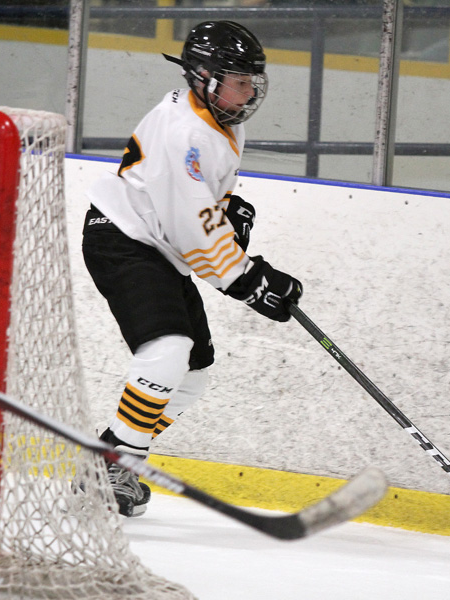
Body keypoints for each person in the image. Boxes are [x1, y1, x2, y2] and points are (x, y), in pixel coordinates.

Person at [82, 20, 302, 517]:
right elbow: (193, 232)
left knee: (192, 374)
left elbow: (196, 207)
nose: (249, 92)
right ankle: (115, 466)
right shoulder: (185, 132)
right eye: (239, 81)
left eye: (251, 81)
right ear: (204, 78)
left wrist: (227, 210)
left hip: (155, 245)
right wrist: (250, 281)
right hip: (122, 238)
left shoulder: (224, 120)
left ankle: (112, 456)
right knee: (168, 349)